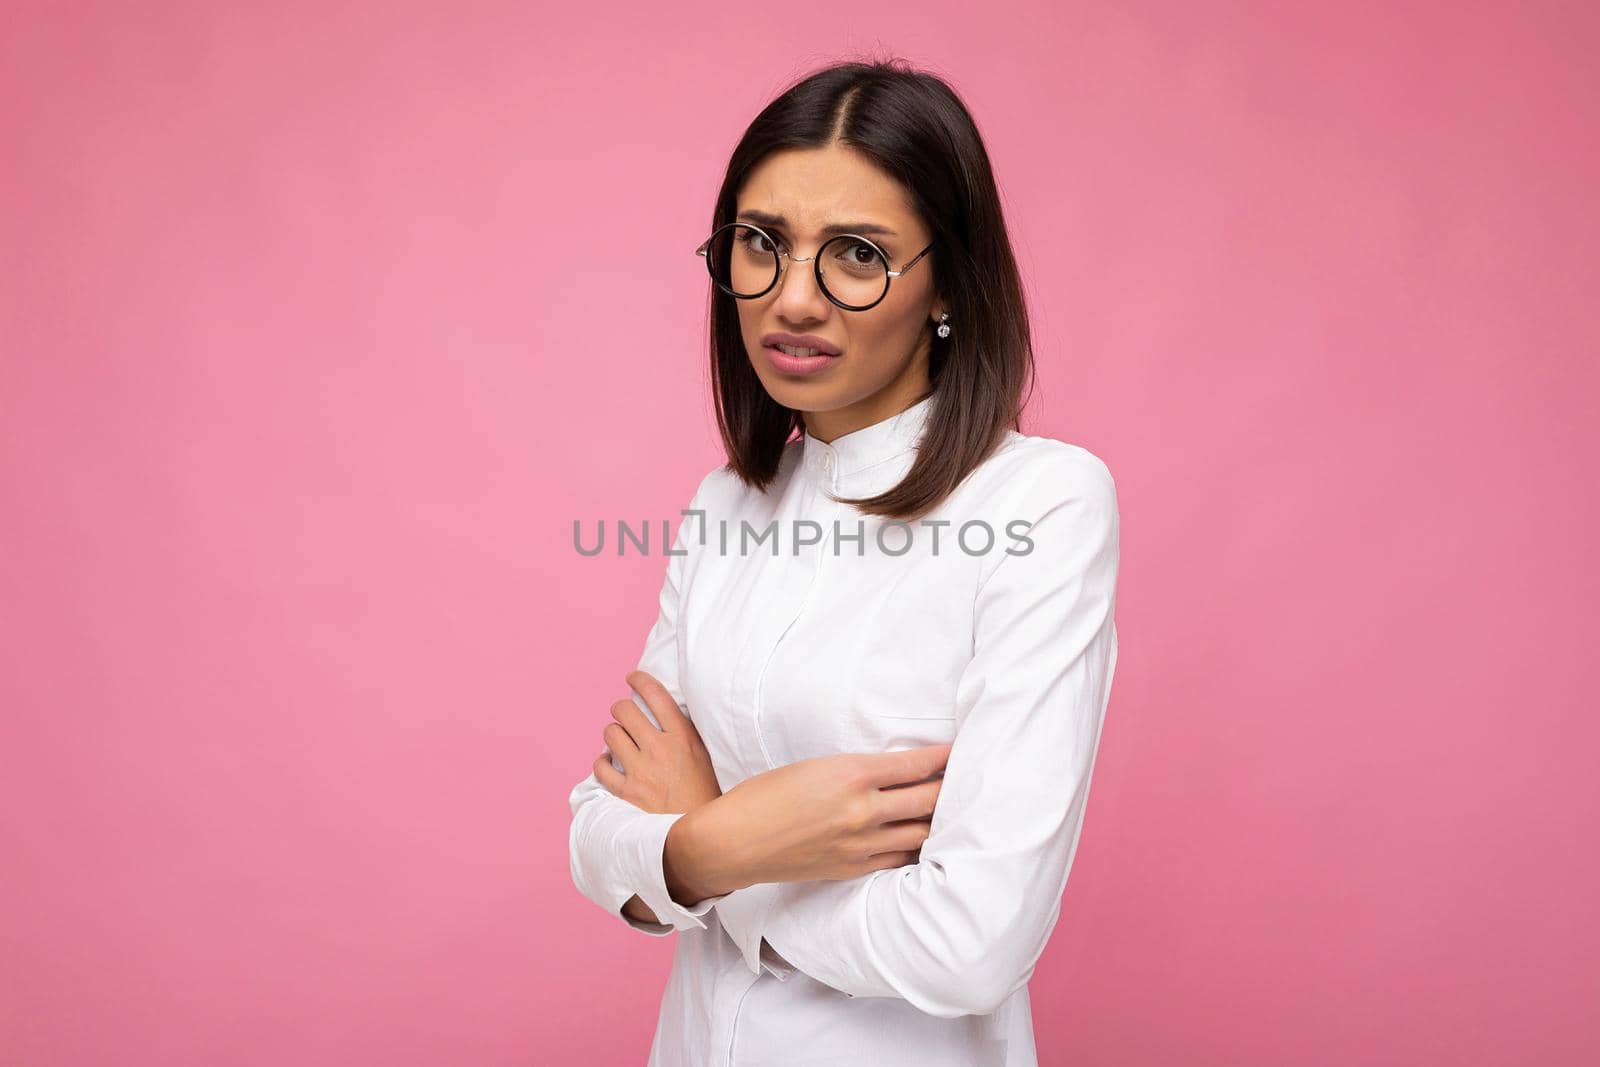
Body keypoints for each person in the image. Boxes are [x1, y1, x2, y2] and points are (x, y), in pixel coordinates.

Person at [567, 57, 1121, 1067]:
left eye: (856, 254)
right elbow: (596, 829)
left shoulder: (1041, 503)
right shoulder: (725, 505)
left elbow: (969, 942)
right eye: (761, 243)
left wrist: (705, 859)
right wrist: (717, 841)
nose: (792, 300)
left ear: (947, 280)